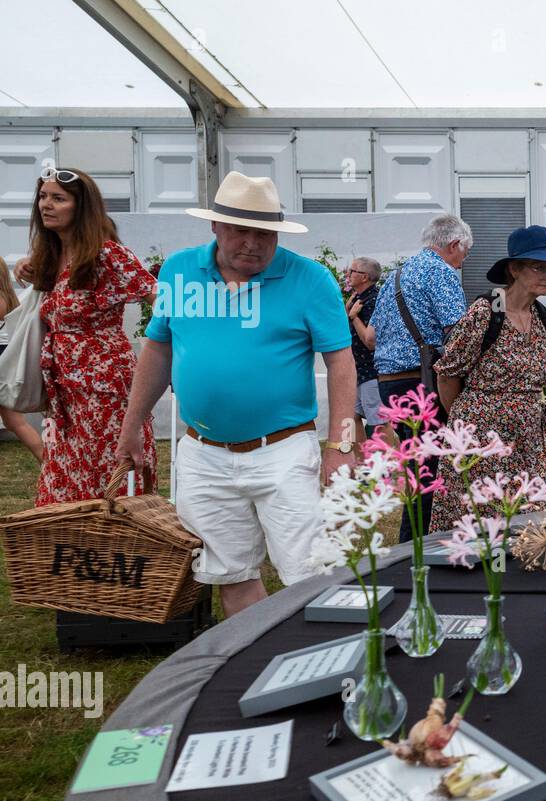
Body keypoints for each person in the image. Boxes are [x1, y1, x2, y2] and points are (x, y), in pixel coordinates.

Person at [117, 171, 355, 618]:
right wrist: (132, 428)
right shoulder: (179, 271)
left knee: (312, 573)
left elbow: (341, 362)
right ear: (214, 226)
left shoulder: (311, 280)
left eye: (264, 232)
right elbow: (158, 348)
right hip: (203, 454)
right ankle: (259, 666)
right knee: (230, 572)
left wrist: (341, 444)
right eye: (240, 230)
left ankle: (322, 665)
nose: (253, 242)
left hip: (284, 450)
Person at [428, 225, 546, 531]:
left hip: (531, 440)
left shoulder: (543, 317)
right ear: (514, 269)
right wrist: (467, 425)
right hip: (483, 440)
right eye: (539, 267)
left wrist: (545, 423)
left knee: (538, 520)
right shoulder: (487, 311)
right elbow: (448, 374)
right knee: (481, 525)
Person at [20, 167, 157, 505]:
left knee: (108, 479)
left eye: (58, 198)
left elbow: (157, 298)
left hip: (106, 392)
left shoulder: (107, 254)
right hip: (65, 396)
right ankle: (76, 552)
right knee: (64, 483)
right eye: (42, 196)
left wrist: (165, 350)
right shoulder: (50, 255)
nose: (46, 205)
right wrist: (27, 267)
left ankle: (117, 552)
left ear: (81, 207)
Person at [369, 213, 472, 541]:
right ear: (453, 244)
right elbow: (459, 332)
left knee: (419, 468)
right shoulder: (441, 271)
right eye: (464, 255)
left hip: (389, 385)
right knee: (432, 472)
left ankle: (412, 550)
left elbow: (370, 336)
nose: (461, 263)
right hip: (423, 384)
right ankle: (417, 553)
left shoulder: (394, 276)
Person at [0, 260, 44, 460]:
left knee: (15, 422)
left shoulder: (1, 299)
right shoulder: (7, 297)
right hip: (4, 357)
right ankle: (47, 462)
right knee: (14, 422)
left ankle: (48, 462)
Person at [344, 256, 382, 445]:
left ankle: (387, 464)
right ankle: (363, 464)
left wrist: (354, 317)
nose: (348, 274)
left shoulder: (374, 300)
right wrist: (348, 311)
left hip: (371, 371)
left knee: (379, 422)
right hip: (357, 370)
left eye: (352, 271)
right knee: (352, 416)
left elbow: (370, 341)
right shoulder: (357, 299)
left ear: (365, 277)